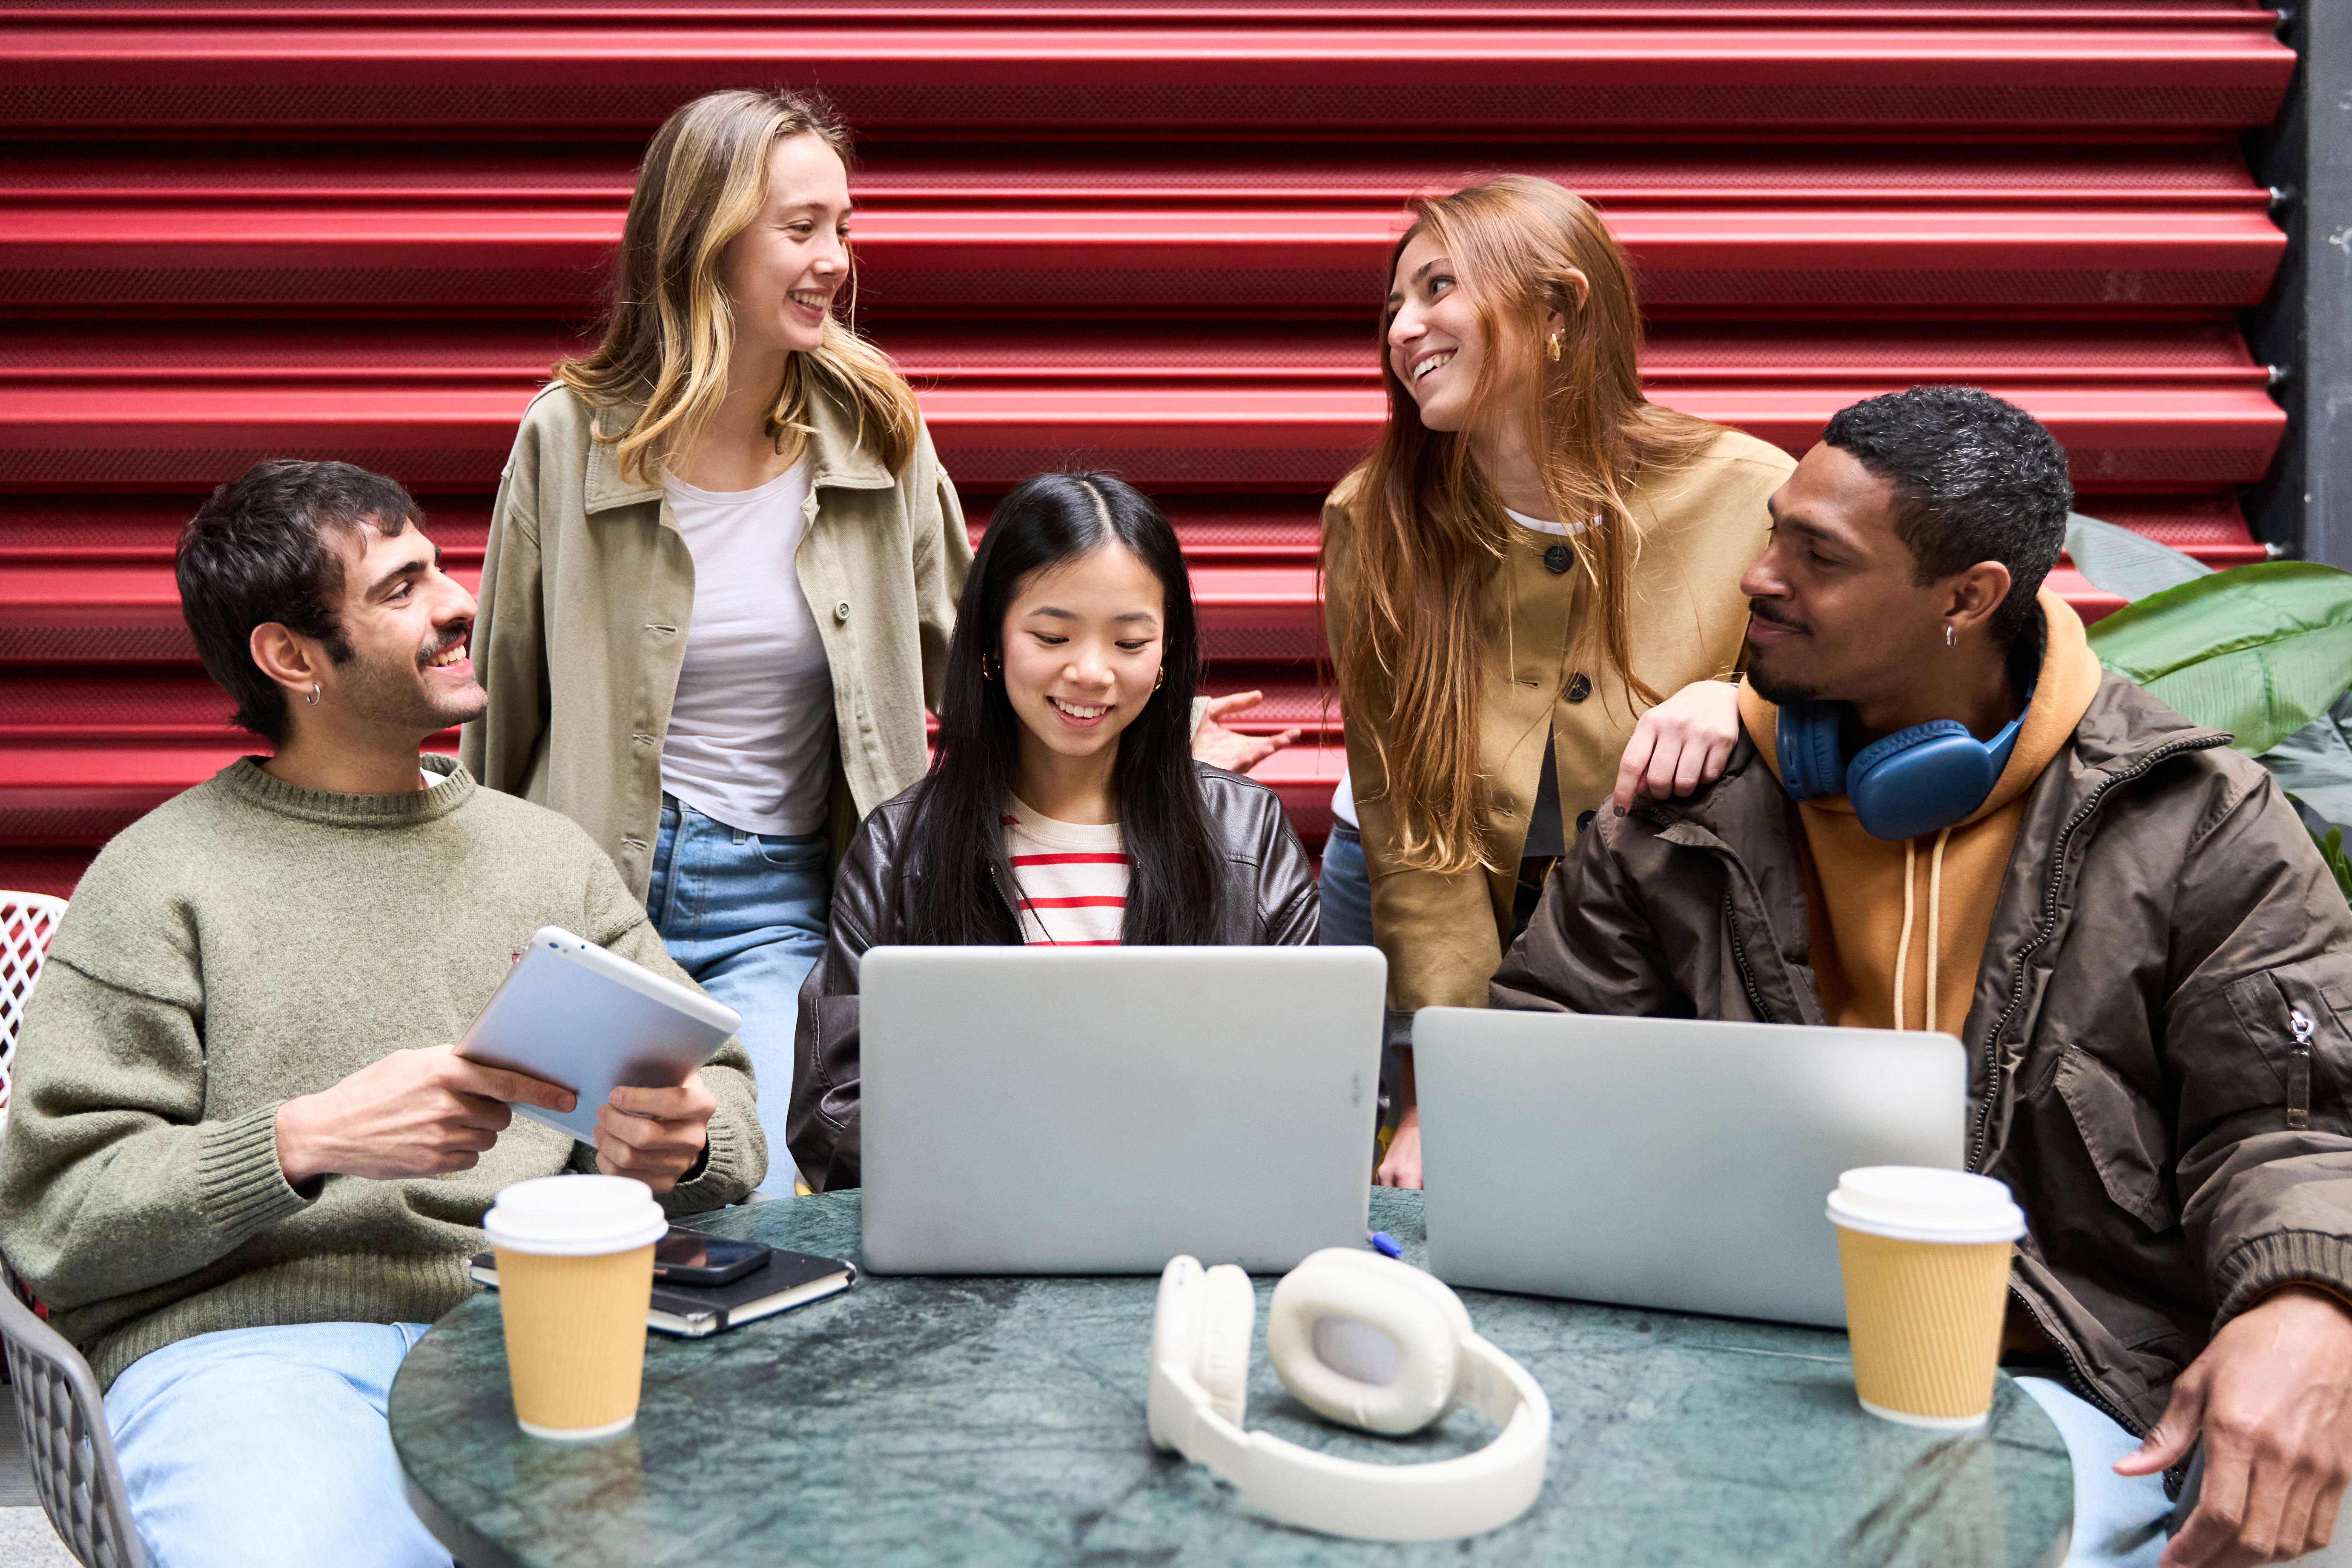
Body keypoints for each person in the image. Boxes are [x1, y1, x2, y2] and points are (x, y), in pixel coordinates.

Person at [1492, 387, 2352, 1568]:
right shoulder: (1683, 809)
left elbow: (2290, 1121)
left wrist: (2306, 1298)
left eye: (1818, 556)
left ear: (1967, 597)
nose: (1757, 575)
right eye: (1770, 529)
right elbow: (1547, 1060)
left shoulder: (2196, 822)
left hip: (2061, 1376)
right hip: (1721, 1361)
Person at [462, 89, 1284, 1191]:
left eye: (842, 227)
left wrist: (1140, 712)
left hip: (776, 898)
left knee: (738, 1184)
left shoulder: (873, 424)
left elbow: (977, 633)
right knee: (540, 1188)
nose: (834, 259)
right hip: (592, 889)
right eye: (801, 228)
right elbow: (497, 699)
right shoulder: (569, 437)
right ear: (705, 233)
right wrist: (483, 908)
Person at [0, 460, 765, 1568]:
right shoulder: (159, 879)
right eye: (403, 587)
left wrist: (682, 1139)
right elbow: (56, 1214)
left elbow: (726, 1100)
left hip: (542, 1337)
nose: (460, 602)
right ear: (293, 657)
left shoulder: (543, 854)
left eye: (441, 566)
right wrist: (303, 1140)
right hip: (252, 1356)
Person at [1321, 175, 1797, 1187]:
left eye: (1437, 289)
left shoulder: (1753, 494)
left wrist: (1743, 700)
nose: (1402, 329)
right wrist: (1432, 1097)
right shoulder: (1376, 517)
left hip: (1662, 932)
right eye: (1392, 304)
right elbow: (1417, 837)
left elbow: (1875, 701)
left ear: (1557, 309)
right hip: (1425, 906)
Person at [787, 473, 1318, 1190]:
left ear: (1166, 656)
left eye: (1131, 642)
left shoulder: (1248, 837)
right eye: (1052, 635)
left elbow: (1313, 1082)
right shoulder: (899, 848)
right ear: (992, 641)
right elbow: (833, 1111)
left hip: (1191, 1226)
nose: (1091, 671)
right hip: (975, 1240)